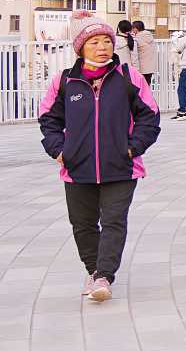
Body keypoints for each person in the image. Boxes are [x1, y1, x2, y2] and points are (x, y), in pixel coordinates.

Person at [38, 21, 162, 303]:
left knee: (114, 221)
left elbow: (150, 116)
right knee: (82, 223)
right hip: (77, 167)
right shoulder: (65, 81)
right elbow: (48, 119)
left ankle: (104, 275)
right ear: (81, 47)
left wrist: (133, 148)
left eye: (106, 41)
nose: (102, 47)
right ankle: (94, 272)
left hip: (121, 166)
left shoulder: (129, 76)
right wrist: (59, 150)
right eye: (94, 43)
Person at [130, 20, 157, 88]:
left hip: (141, 68)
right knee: (147, 88)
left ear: (135, 28)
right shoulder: (149, 36)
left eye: (132, 28)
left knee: (140, 88)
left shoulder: (137, 39)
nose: (132, 30)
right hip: (150, 68)